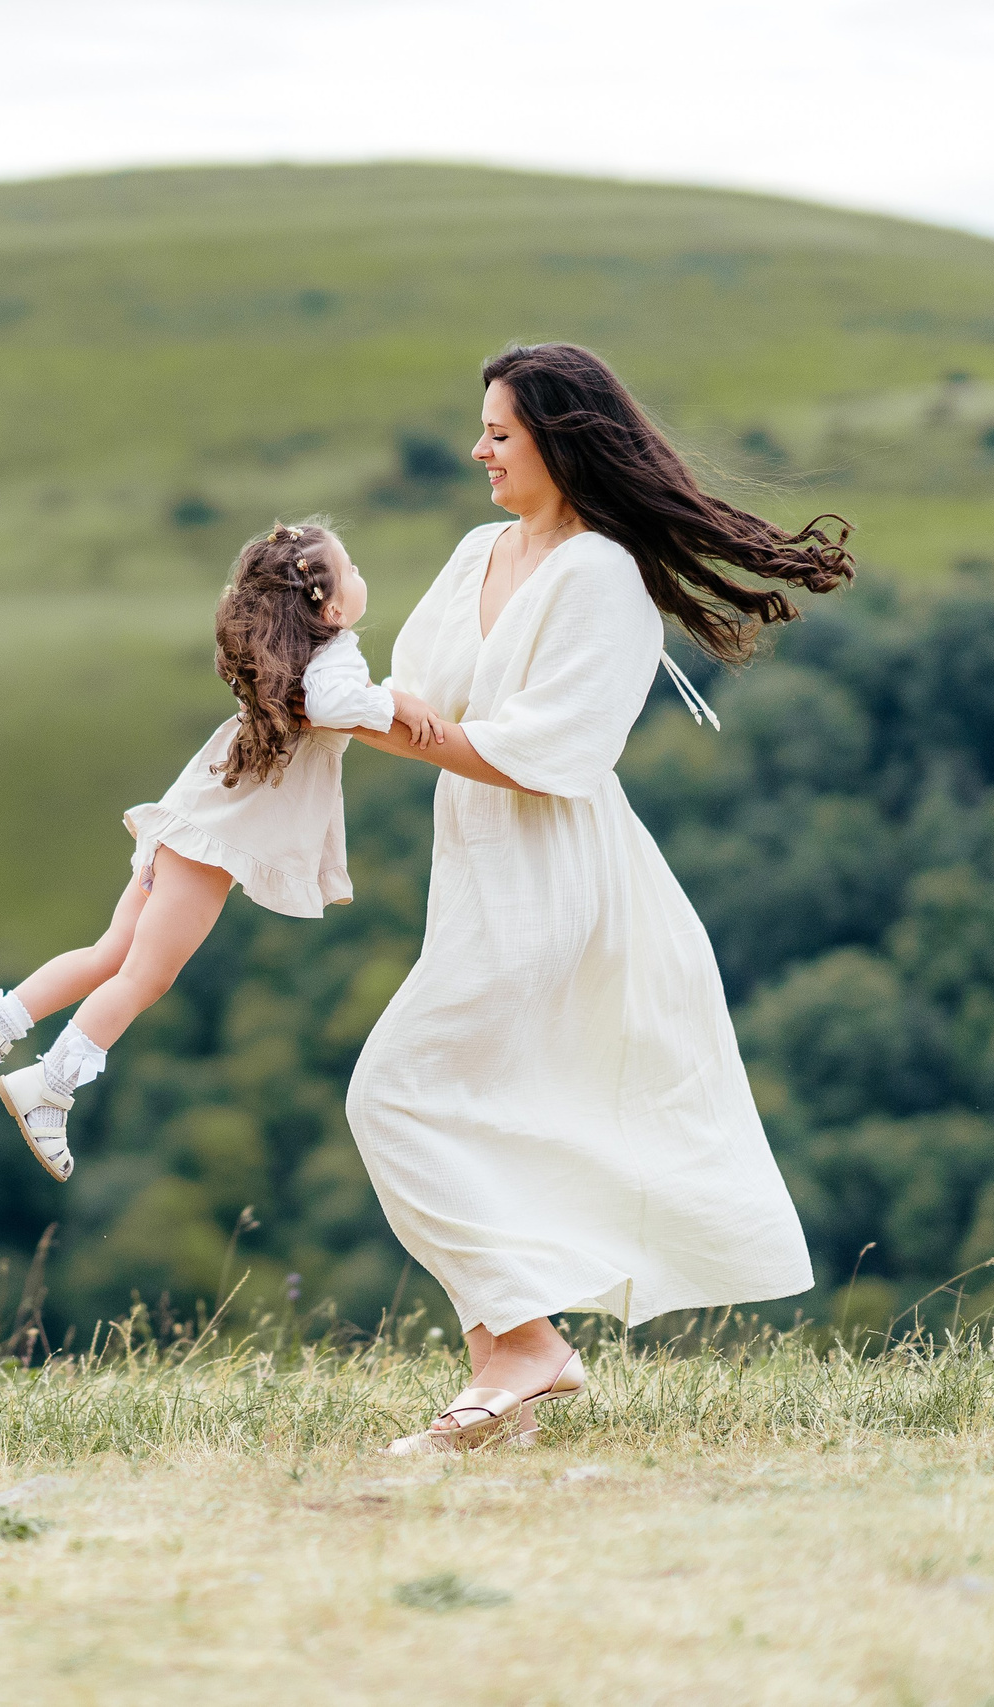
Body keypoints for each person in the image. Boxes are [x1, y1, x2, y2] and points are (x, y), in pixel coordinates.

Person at [348, 342, 854, 1454]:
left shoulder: (600, 576)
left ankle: (527, 1348)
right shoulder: (478, 552)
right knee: (456, 1103)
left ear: (558, 440)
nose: (477, 450)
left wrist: (368, 714)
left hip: (554, 875)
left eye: (499, 432)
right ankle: (504, 1370)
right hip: (475, 869)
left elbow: (548, 753)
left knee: (392, 1093)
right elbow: (413, 702)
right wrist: (303, 695)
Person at [0, 519, 447, 1182]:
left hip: (197, 818)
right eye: (350, 569)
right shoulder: (335, 655)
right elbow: (331, 703)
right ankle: (49, 1086)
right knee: (145, 976)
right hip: (215, 843)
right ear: (328, 608)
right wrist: (395, 703)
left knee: (112, 952)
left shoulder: (295, 655)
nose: (360, 576)